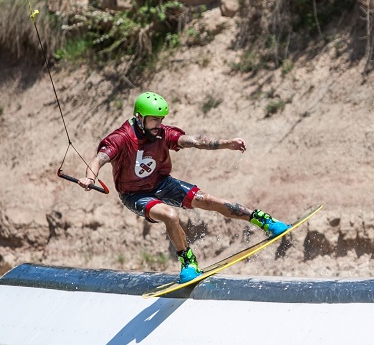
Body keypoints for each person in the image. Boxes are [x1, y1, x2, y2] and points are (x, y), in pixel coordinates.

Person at [79, 91, 289, 282]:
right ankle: (188, 262)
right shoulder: (121, 138)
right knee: (170, 215)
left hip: (162, 183)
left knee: (208, 200)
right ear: (139, 117)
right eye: (153, 120)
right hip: (134, 194)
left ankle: (264, 221)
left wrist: (227, 143)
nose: (158, 124)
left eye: (161, 120)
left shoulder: (162, 133)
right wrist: (90, 178)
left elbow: (196, 140)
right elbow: (99, 159)